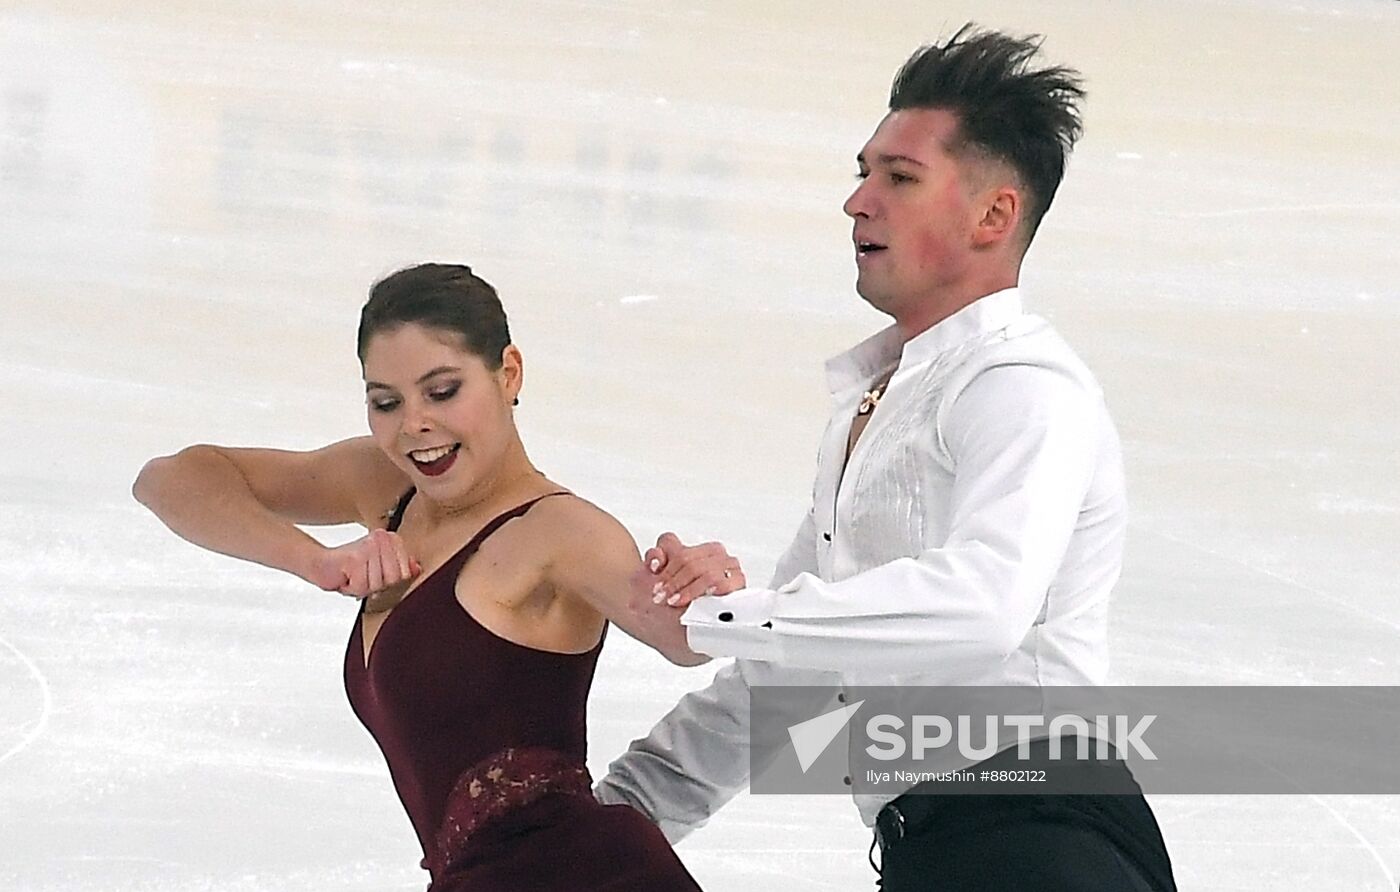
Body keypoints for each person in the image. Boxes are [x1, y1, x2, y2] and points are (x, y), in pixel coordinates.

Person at [595, 25, 1178, 891]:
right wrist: (607, 822)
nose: (858, 201)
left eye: (898, 178)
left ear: (994, 215)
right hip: (946, 847)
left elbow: (983, 607)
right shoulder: (881, 402)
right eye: (862, 172)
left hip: (1040, 835)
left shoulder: (1023, 387)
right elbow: (778, 686)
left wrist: (722, 616)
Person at [132, 263, 743, 891]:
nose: (413, 425)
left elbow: (679, 636)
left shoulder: (558, 531)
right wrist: (316, 559)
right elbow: (171, 479)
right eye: (385, 402)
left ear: (509, 374)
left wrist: (708, 587)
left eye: (443, 391)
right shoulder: (386, 489)